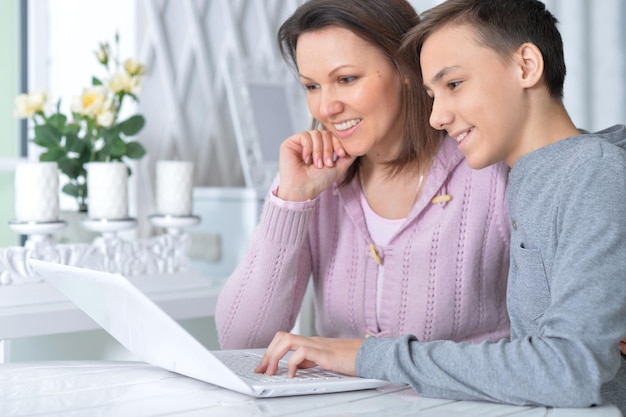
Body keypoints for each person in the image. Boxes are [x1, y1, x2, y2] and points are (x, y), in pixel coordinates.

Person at [255, 0, 626, 412]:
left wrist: (367, 355)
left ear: (526, 66)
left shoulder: (590, 172)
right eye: (432, 94)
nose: (436, 117)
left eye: (453, 85)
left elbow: (568, 369)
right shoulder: (537, 176)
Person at [215, 0, 511, 351]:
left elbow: (546, 349)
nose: (326, 108)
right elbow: (239, 342)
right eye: (311, 86)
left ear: (405, 66)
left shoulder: (491, 173)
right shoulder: (317, 187)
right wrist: (291, 200)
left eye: (346, 79)